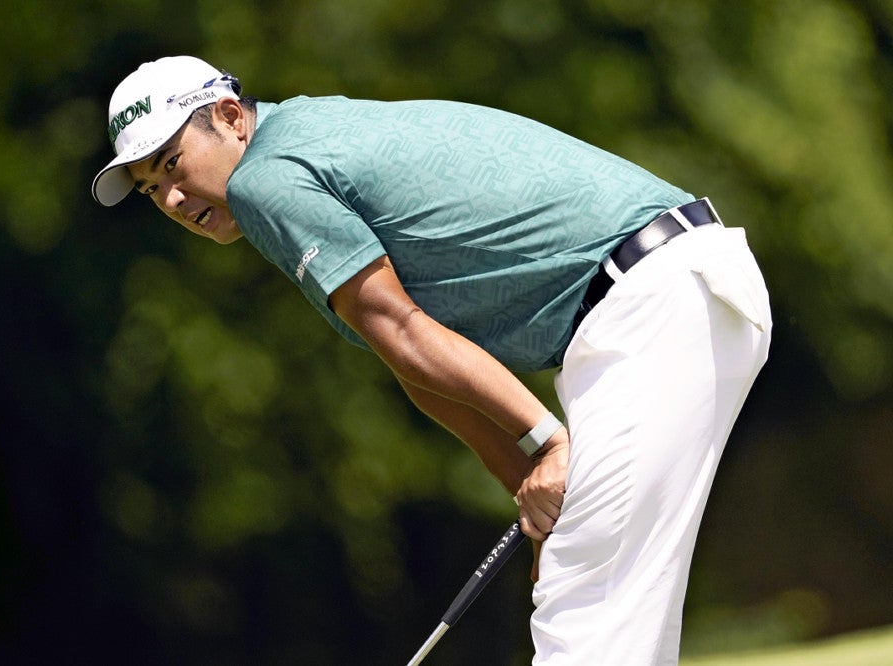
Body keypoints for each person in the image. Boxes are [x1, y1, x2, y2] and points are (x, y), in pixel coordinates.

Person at [92, 55, 772, 664]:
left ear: (231, 116)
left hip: (651, 301)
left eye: (174, 165)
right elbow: (416, 368)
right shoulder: (300, 140)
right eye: (152, 190)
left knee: (586, 605)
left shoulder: (265, 180)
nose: (174, 200)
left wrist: (549, 440)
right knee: (601, 598)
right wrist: (534, 485)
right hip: (667, 295)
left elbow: (402, 328)